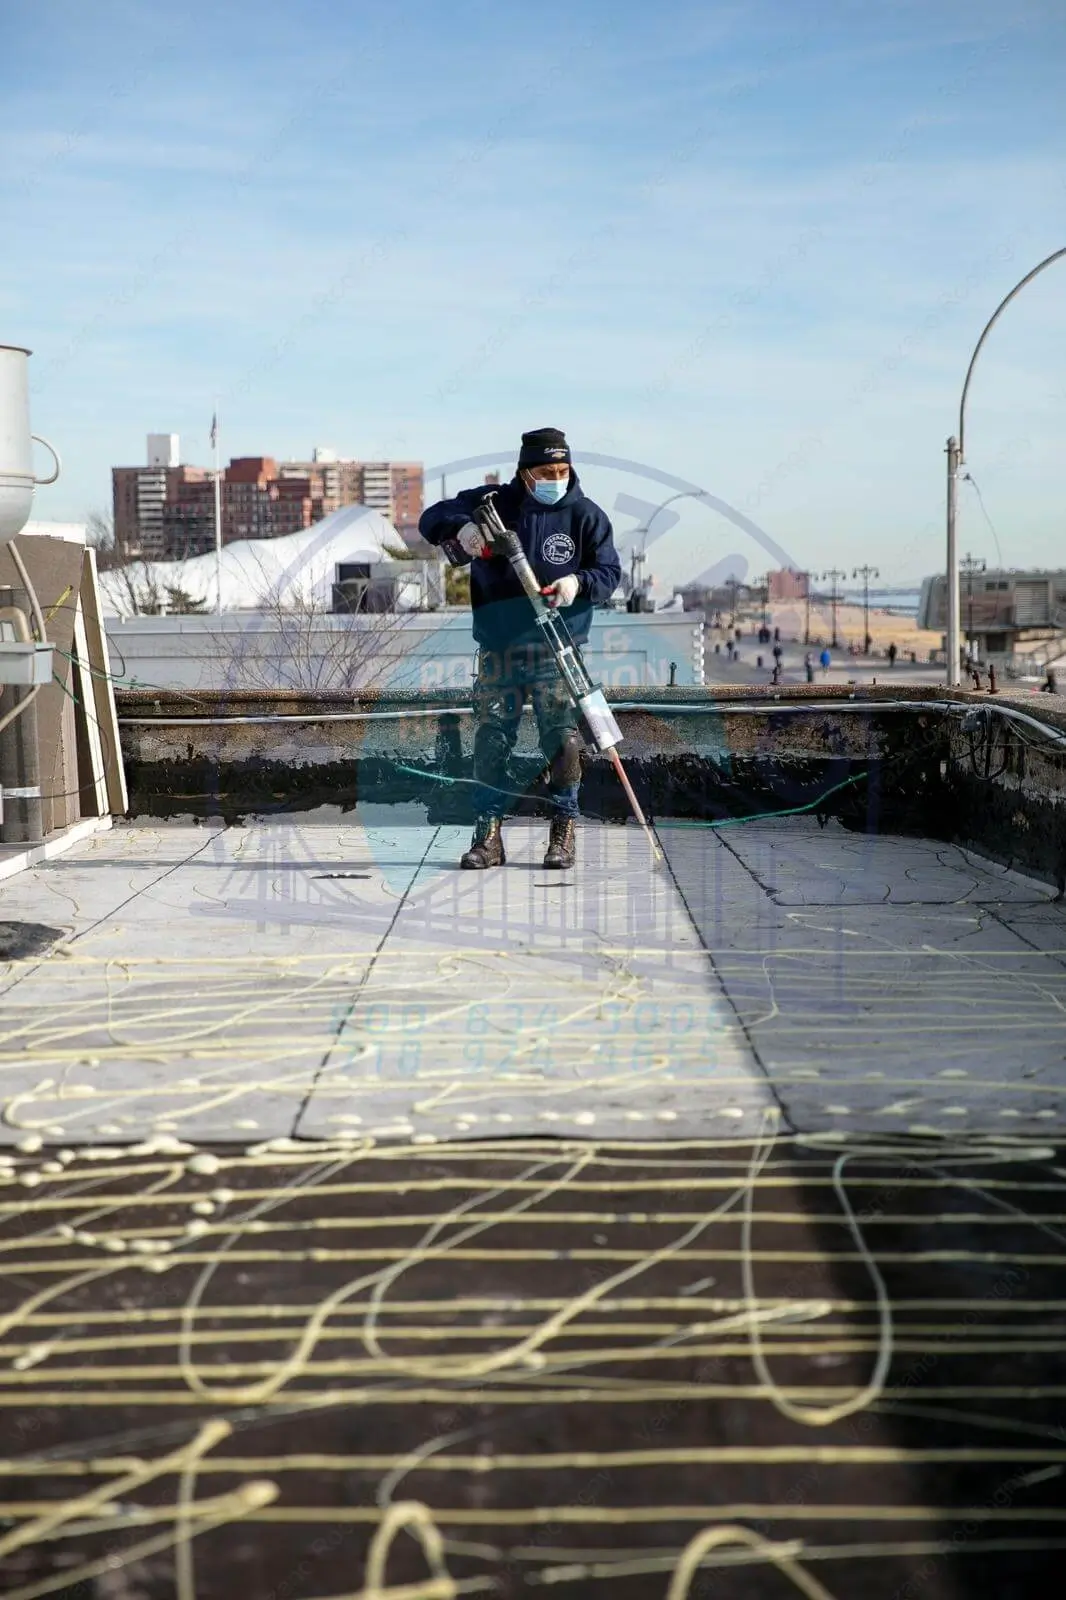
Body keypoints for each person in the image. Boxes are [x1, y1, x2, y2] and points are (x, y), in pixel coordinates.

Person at [419, 427, 621, 871]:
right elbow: (430, 517)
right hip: (500, 648)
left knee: (563, 742)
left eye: (563, 470)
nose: (556, 479)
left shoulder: (586, 516)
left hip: (557, 650)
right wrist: (462, 528)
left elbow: (609, 573)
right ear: (525, 472)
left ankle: (563, 829)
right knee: (492, 740)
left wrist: (577, 584)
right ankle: (488, 836)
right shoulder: (493, 503)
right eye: (546, 472)